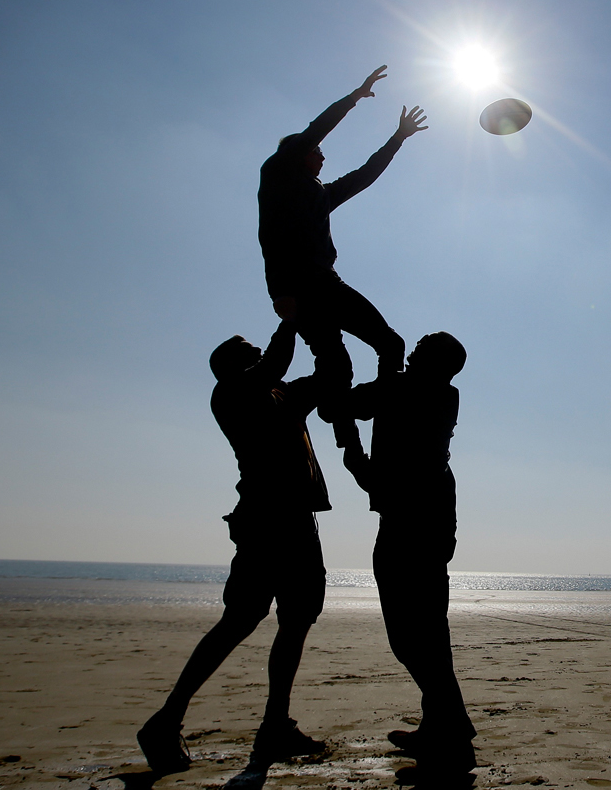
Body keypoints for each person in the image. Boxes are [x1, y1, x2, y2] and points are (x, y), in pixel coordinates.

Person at [136, 321, 337, 773]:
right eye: (244, 350)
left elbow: (326, 379)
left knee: (295, 620)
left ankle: (274, 726)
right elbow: (276, 361)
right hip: (267, 523)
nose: (256, 350)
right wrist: (293, 318)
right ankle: (168, 720)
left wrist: (326, 339)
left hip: (297, 523)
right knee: (241, 620)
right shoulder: (230, 394)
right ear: (225, 367)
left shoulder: (281, 395)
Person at [258, 65, 429, 438]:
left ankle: (350, 426)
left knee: (348, 366)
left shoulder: (320, 194)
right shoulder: (277, 173)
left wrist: (397, 138)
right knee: (375, 350)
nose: (322, 156)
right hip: (304, 286)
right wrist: (355, 96)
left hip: (321, 283)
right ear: (296, 153)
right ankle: (370, 420)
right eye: (316, 151)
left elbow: (364, 176)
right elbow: (315, 129)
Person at [336, 332, 477, 779]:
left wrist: (352, 447)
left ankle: (451, 729)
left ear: (436, 362)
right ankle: (441, 726)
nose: (412, 350)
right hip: (430, 521)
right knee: (430, 635)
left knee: (409, 637)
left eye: (423, 347)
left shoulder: (405, 389)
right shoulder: (440, 394)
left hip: (409, 526)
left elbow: (338, 406)